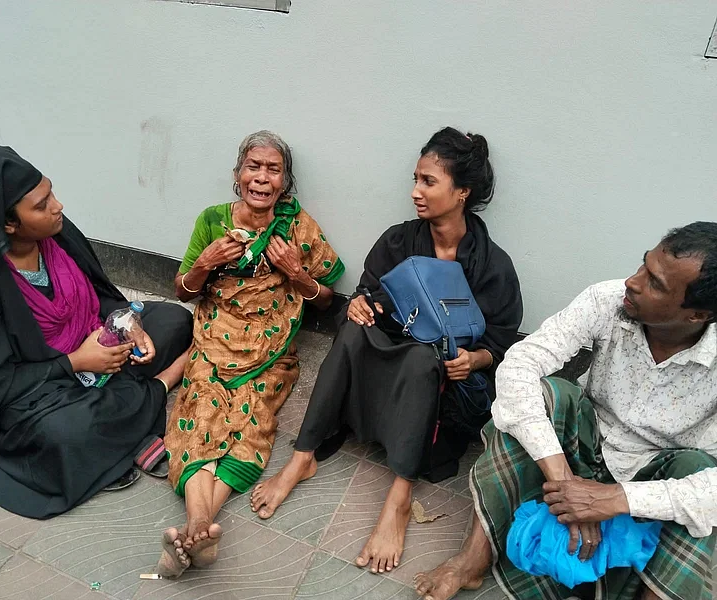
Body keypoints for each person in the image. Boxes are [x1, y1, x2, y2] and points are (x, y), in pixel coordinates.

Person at [250, 127, 523, 575]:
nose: (415, 191)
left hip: (440, 386)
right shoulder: (399, 241)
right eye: (415, 179)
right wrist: (358, 305)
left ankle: (399, 497)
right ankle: (302, 459)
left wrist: (473, 360)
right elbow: (366, 295)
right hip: (382, 364)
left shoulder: (493, 265)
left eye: (429, 182)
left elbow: (501, 341)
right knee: (353, 333)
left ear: (462, 193)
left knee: (421, 357)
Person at [414, 221, 717, 600]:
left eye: (655, 284)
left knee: (700, 476)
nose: (633, 282)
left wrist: (615, 499)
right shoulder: (607, 301)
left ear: (697, 315)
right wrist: (564, 482)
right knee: (543, 395)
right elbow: (519, 365)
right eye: (643, 265)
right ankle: (473, 559)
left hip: (656, 475)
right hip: (585, 447)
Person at [0, 142, 193, 519]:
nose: (58, 206)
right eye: (42, 205)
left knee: (174, 321)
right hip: (31, 391)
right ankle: (165, 381)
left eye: (51, 194)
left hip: (95, 344)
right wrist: (76, 361)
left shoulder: (56, 233)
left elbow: (101, 295)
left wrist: (128, 326)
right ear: (6, 224)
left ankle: (124, 414)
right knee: (64, 432)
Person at [157, 130, 345, 576]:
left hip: (270, 348)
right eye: (253, 167)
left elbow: (326, 298)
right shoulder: (212, 220)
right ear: (238, 175)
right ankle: (201, 527)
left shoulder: (298, 228)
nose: (262, 177)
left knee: (251, 422)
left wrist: (296, 274)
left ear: (285, 182)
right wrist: (206, 262)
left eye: (273, 169)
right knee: (196, 415)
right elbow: (183, 291)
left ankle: (194, 529)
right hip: (212, 339)